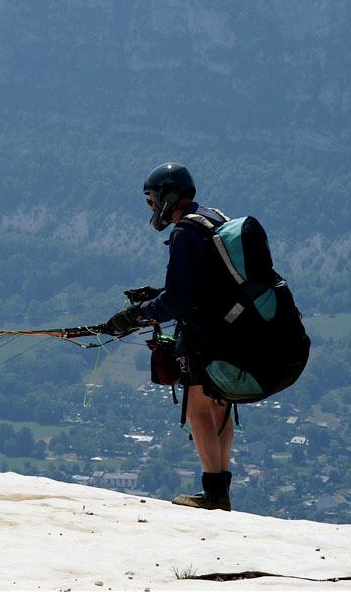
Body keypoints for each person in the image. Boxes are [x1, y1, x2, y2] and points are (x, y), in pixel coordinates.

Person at [102, 162, 236, 511]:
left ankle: (213, 494)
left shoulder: (183, 232)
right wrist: (157, 295)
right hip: (234, 328)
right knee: (220, 404)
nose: (150, 208)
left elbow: (178, 301)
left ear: (166, 196)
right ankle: (221, 490)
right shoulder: (213, 218)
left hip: (204, 333)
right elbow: (203, 284)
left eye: (150, 201)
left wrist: (134, 314)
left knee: (197, 409)